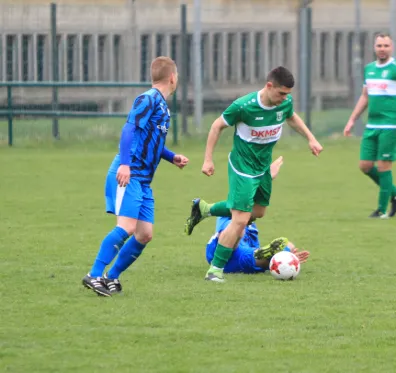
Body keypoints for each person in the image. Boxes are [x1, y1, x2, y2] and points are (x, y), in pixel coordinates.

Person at [195, 66, 323, 283]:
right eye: (281, 93)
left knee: (259, 212)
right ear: (269, 86)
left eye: (288, 95)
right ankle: (214, 271)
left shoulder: (284, 104)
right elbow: (217, 126)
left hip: (263, 168)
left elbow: (292, 117)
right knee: (241, 220)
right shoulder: (244, 106)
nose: (285, 99)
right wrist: (208, 159)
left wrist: (311, 138)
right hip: (242, 168)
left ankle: (206, 209)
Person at [82, 56, 189, 297]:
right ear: (173, 78)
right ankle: (94, 274)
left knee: (144, 234)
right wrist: (125, 165)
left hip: (142, 180)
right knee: (127, 226)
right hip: (129, 174)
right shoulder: (148, 99)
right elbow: (129, 128)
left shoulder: (161, 104)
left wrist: (172, 157)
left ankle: (111, 277)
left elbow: (151, 141)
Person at [343, 32, 396, 219]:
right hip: (372, 125)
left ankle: (382, 211)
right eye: (379, 46)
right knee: (365, 165)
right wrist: (352, 119)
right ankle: (395, 193)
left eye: (386, 46)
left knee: (384, 166)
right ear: (374, 48)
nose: (382, 49)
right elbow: (365, 96)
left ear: (391, 48)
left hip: (391, 126)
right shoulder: (369, 69)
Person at [205, 218, 310, 275]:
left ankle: (275, 259)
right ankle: (274, 259)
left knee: (288, 246)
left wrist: (286, 258)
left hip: (231, 252)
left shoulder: (246, 225)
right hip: (226, 250)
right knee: (237, 229)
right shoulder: (235, 216)